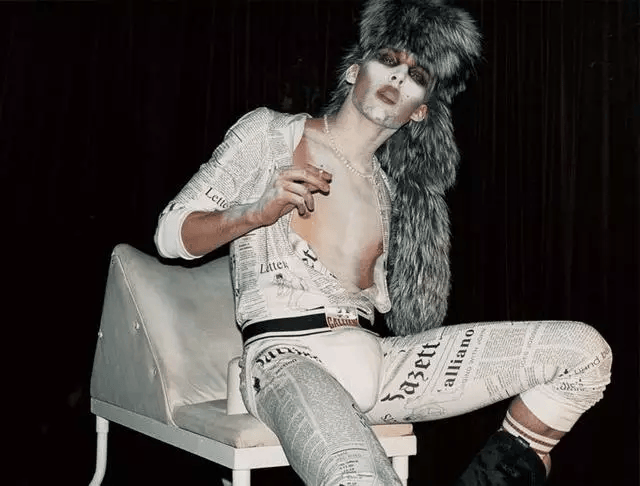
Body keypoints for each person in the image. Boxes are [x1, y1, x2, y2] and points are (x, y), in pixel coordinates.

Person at [155, 0, 612, 484]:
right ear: (354, 72)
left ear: (420, 111)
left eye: (416, 76)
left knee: (583, 352)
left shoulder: (392, 194)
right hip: (287, 357)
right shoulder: (269, 134)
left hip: (378, 363)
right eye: (389, 60)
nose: (398, 77)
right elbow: (170, 235)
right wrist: (254, 213)